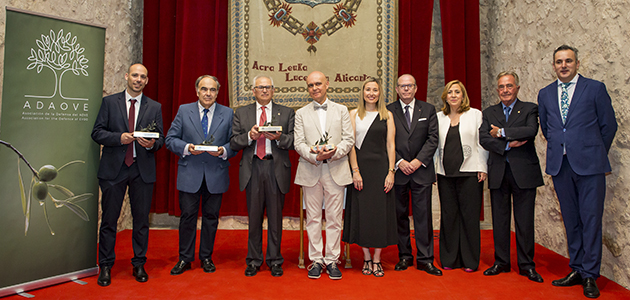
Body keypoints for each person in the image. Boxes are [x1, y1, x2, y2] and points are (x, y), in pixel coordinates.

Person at [538, 45, 617, 298]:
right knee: (571, 221)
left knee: (591, 220)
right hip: (561, 166)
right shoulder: (546, 93)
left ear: (577, 63)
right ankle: (577, 268)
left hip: (590, 167)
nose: (563, 65)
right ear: (554, 65)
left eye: (568, 61)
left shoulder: (594, 88)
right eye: (559, 61)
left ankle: (591, 275)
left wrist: (592, 151)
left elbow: (609, 126)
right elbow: (548, 128)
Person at [92, 63, 164, 286]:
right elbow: (97, 132)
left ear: (147, 81)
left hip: (142, 170)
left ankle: (139, 264)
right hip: (114, 170)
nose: (138, 79)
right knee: (109, 221)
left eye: (143, 76)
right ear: (126, 76)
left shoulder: (154, 106)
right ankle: (105, 266)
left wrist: (152, 143)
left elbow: (160, 138)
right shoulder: (109, 102)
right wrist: (118, 138)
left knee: (141, 221)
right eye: (134, 75)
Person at [165, 75, 236, 275]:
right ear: (197, 91)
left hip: (216, 174)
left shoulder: (228, 113)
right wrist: (187, 147)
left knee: (211, 218)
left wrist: (223, 151)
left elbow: (235, 142)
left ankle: (206, 257)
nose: (208, 93)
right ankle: (185, 258)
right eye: (204, 89)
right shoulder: (183, 110)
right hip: (190, 173)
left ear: (217, 92)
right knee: (187, 217)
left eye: (212, 90)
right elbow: (170, 139)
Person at [479, 72, 544, 283]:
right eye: (501, 87)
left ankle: (526, 265)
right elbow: (483, 138)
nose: (505, 90)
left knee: (524, 222)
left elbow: (530, 130)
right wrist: (508, 143)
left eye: (509, 86)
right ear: (497, 90)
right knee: (500, 220)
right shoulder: (489, 112)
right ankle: (501, 262)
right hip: (499, 172)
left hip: (524, 173)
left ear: (517, 87)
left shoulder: (529, 108)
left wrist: (500, 132)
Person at [230, 75, 295, 277]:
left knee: (276, 218)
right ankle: (254, 260)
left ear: (274, 90)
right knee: (254, 217)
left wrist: (279, 138)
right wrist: (249, 136)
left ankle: (275, 260)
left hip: (275, 168)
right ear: (253, 90)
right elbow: (233, 142)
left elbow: (294, 141)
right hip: (253, 168)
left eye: (268, 87)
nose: (264, 91)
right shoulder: (242, 113)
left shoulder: (286, 112)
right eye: (261, 87)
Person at [294, 71, 354, 280]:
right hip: (311, 169)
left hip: (336, 169)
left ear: (327, 84)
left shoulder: (342, 110)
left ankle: (332, 259)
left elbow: (348, 139)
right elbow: (298, 143)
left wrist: (333, 153)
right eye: (310, 85)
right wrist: (315, 156)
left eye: (318, 83)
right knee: (312, 218)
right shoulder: (301, 113)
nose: (314, 88)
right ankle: (316, 260)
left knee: (334, 218)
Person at [342, 77, 397, 277]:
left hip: (381, 169)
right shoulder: (353, 114)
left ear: (380, 93)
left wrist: (391, 172)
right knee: (363, 213)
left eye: (375, 90)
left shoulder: (388, 115)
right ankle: (366, 257)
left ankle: (377, 259)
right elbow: (351, 146)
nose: (371, 93)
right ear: (362, 93)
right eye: (368, 89)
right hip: (361, 170)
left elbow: (391, 145)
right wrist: (355, 171)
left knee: (379, 213)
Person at [386, 74, 441, 276]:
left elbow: (433, 138)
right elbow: (386, 140)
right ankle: (405, 256)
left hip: (421, 171)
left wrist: (418, 161)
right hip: (399, 172)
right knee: (400, 216)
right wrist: (400, 162)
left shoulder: (428, 109)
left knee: (423, 217)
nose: (406, 89)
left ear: (416, 88)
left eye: (410, 86)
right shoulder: (389, 111)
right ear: (397, 89)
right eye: (402, 86)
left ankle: (426, 259)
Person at [434, 80, 488, 273]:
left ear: (463, 95)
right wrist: (433, 169)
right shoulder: (439, 117)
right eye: (450, 92)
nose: (454, 95)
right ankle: (449, 258)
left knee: (469, 217)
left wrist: (483, 167)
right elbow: (434, 146)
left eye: (457, 92)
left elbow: (482, 143)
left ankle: (470, 260)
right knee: (449, 216)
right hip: (445, 173)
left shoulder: (475, 115)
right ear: (445, 96)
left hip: (470, 173)